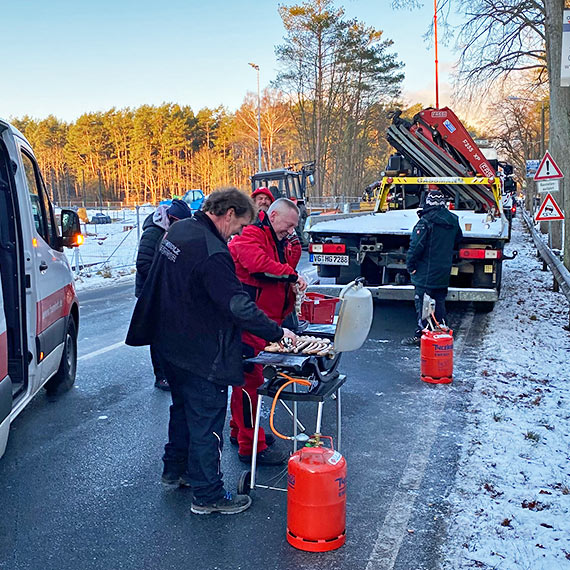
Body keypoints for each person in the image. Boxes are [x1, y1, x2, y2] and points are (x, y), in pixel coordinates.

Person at [126, 188, 297, 515]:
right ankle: (208, 495)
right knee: (207, 418)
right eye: (239, 226)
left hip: (168, 342)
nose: (238, 233)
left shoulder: (180, 230)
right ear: (228, 213)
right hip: (200, 349)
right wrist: (278, 331)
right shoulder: (212, 251)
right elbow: (237, 305)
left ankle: (175, 470)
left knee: (182, 410)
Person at [228, 198, 307, 465]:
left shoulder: (278, 238)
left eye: (294, 228)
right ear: (272, 216)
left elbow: (282, 267)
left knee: (244, 382)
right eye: (287, 226)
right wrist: (291, 276)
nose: (291, 232)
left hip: (266, 322)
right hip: (251, 322)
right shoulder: (251, 233)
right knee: (250, 384)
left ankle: (239, 430)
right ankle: (251, 446)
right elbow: (258, 264)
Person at [135, 199, 192, 391]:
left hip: (167, 290)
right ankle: (161, 376)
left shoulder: (173, 231)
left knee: (171, 333)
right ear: (173, 219)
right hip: (152, 291)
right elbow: (143, 263)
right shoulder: (153, 232)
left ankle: (173, 371)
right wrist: (166, 278)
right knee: (159, 335)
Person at [402, 188, 462, 346]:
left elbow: (416, 246)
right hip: (443, 270)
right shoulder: (453, 220)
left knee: (422, 303)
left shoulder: (425, 222)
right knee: (440, 301)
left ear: (428, 202)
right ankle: (442, 332)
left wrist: (411, 266)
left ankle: (422, 335)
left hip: (425, 271)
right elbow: (458, 240)